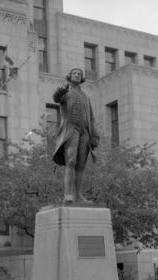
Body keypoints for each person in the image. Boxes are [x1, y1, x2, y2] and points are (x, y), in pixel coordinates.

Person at [52, 67, 101, 204]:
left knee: (81, 165)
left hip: (85, 131)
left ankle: (78, 195)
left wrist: (95, 136)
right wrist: (60, 90)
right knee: (71, 161)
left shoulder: (86, 96)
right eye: (75, 73)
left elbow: (91, 118)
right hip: (71, 130)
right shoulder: (66, 91)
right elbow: (56, 98)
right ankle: (68, 194)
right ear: (70, 76)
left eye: (80, 74)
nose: (77, 75)